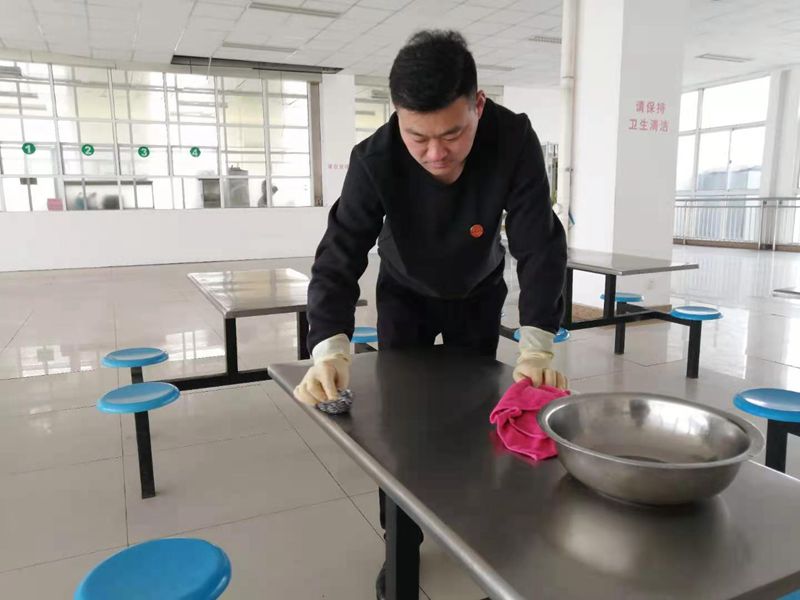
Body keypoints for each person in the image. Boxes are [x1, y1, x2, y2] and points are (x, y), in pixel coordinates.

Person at [294, 30, 568, 600]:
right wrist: (329, 346)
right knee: (402, 427)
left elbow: (538, 243)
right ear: (397, 115)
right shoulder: (374, 158)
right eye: (417, 136)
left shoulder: (513, 138)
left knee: (475, 414)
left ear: (478, 104)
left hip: (478, 291)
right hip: (406, 294)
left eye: (452, 133)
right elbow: (340, 253)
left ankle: (469, 513)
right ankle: (402, 543)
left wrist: (538, 340)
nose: (436, 153)